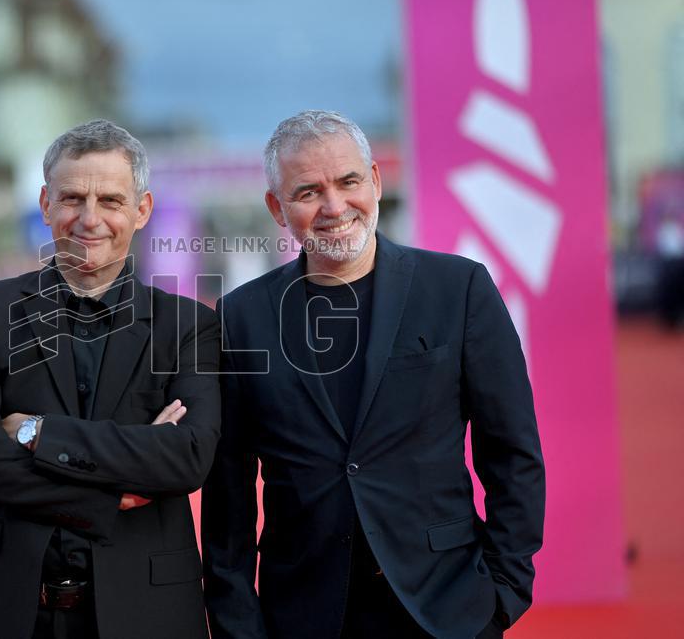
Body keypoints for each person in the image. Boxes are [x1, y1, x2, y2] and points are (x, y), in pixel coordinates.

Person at [201, 110, 545, 639]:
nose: (335, 206)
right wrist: (239, 624)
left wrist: (503, 591)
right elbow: (229, 493)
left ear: (376, 182)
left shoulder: (458, 290)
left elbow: (512, 451)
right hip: (302, 613)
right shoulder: (240, 317)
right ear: (277, 207)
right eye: (308, 191)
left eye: (349, 181)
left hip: (447, 607)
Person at [0, 120, 221, 639]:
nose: (90, 219)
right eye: (72, 198)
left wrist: (36, 432)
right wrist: (108, 495)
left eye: (110, 199)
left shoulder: (189, 325)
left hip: (145, 610)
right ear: (45, 205)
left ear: (142, 210)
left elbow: (187, 457)